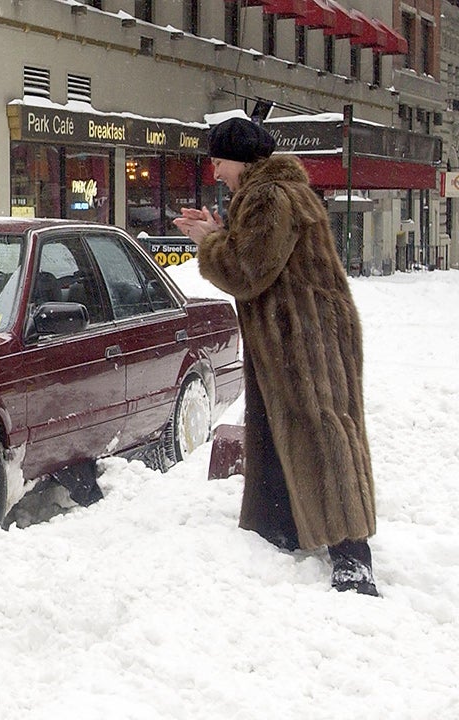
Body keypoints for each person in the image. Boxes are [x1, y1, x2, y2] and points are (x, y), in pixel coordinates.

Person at [172, 117, 378, 596]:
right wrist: (220, 232)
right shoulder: (276, 193)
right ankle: (284, 525)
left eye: (219, 160)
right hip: (302, 332)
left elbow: (247, 271)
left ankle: (352, 556)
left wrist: (207, 243)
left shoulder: (270, 197)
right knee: (289, 423)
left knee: (319, 429)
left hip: (304, 337)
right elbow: (258, 256)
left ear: (240, 159)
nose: (215, 171)